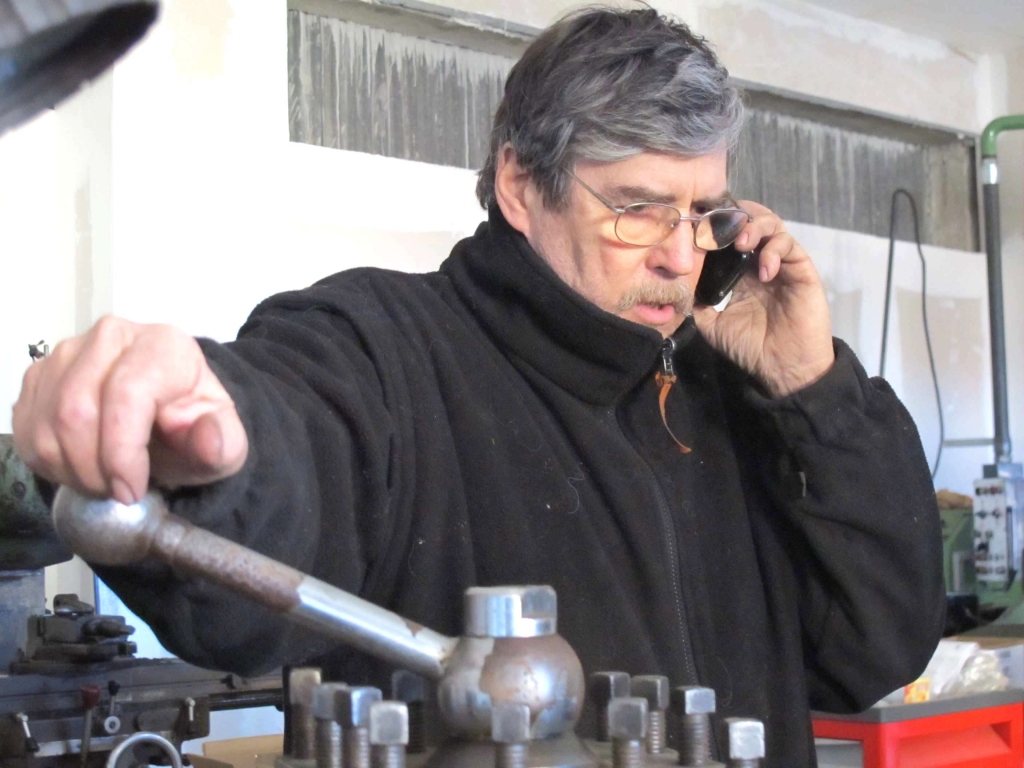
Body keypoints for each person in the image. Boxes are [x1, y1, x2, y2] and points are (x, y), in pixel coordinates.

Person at [12, 7, 943, 765]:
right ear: (519, 184)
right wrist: (203, 452)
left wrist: (811, 389)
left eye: (701, 212)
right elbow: (283, 467)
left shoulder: (738, 395)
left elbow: (874, 650)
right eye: (635, 208)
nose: (677, 253)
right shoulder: (386, 352)